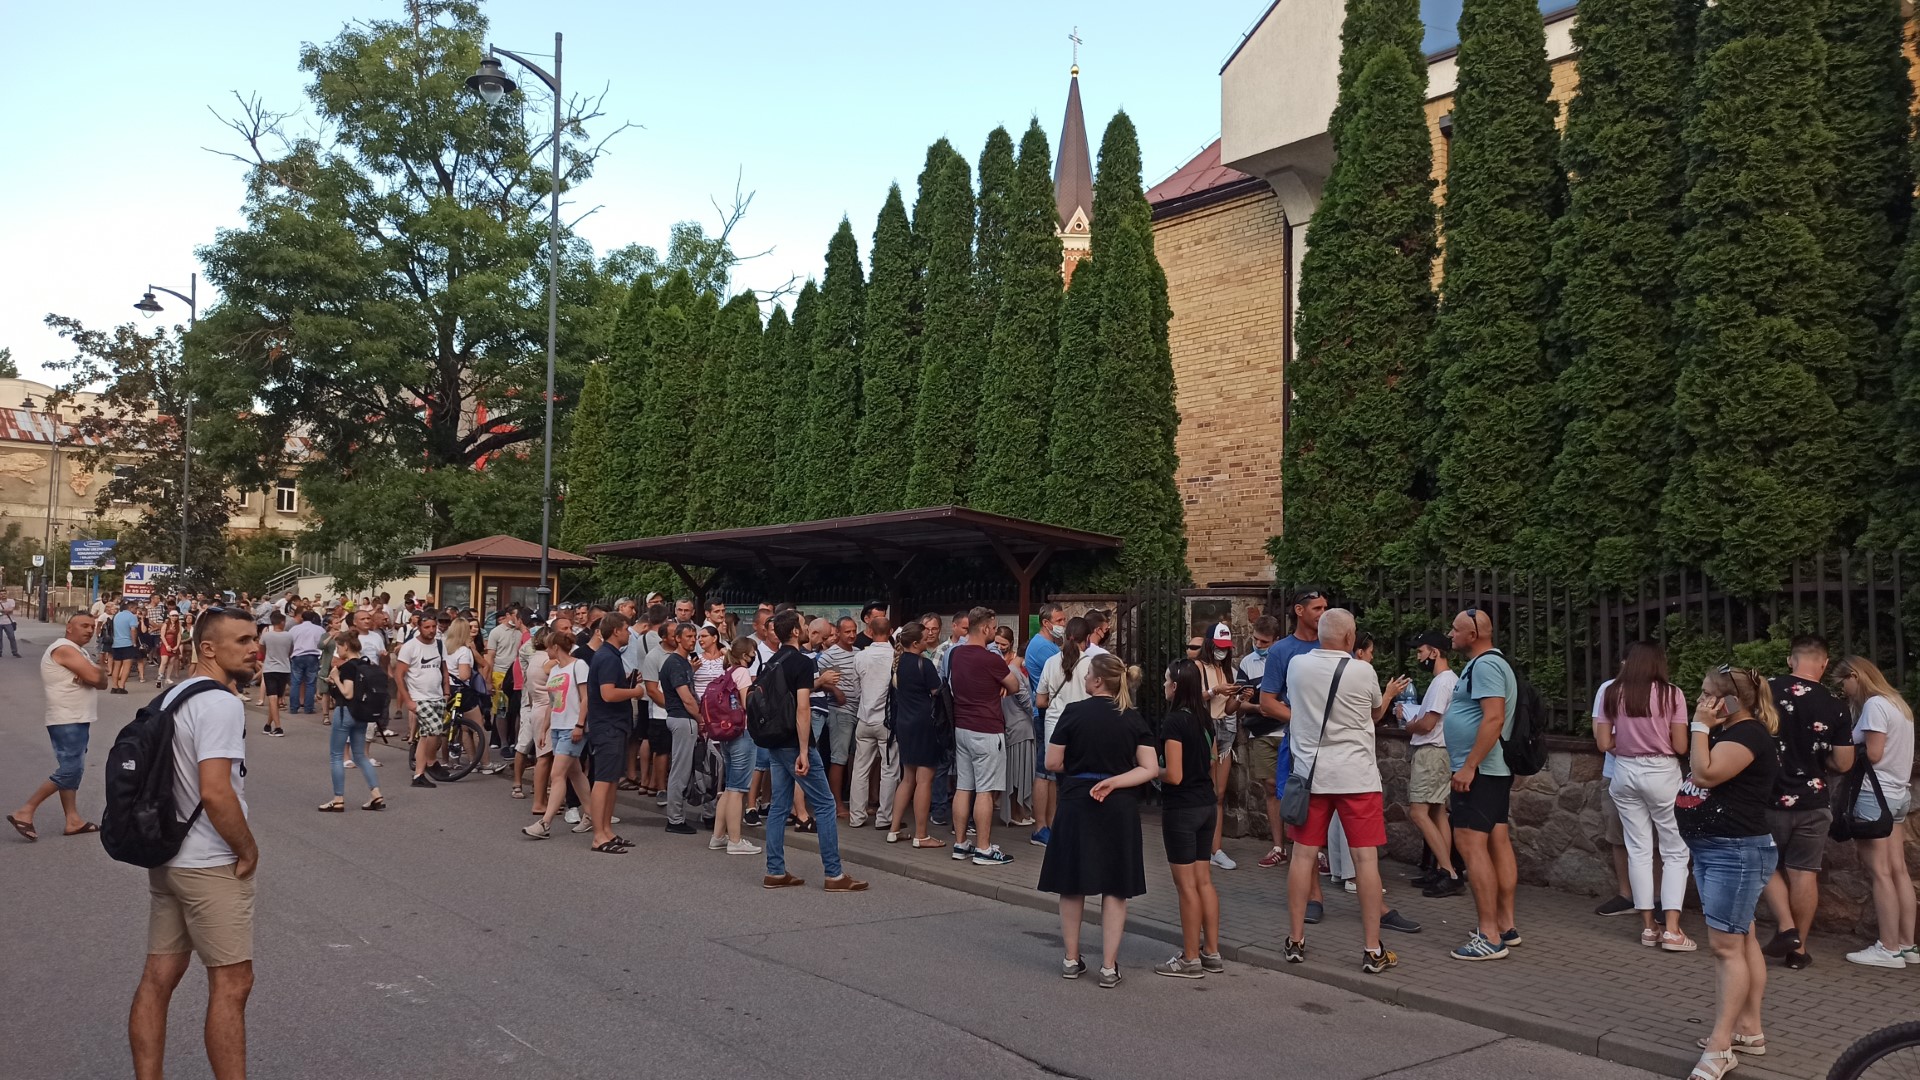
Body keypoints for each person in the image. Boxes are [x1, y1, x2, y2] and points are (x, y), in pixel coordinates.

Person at [128, 607, 261, 1080]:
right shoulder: (221, 703)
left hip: (168, 854)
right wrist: (247, 850)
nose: (254, 648)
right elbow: (216, 791)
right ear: (208, 649)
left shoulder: (174, 694)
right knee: (233, 982)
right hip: (208, 863)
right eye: (242, 640)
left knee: (158, 977)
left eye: (255, 638)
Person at [1279, 609, 1405, 974]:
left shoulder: (1297, 666)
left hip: (1311, 777)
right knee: (1365, 861)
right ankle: (1372, 949)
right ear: (1350, 639)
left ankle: (1296, 940)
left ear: (1320, 634)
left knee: (1302, 856)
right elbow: (1375, 713)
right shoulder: (1363, 671)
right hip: (1357, 778)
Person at [1678, 666, 1779, 1080]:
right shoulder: (1728, 731)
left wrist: (1700, 726)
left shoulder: (1748, 735)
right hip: (1716, 849)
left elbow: (1706, 774)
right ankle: (1749, 1029)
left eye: (1706, 694)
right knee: (1742, 937)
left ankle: (1720, 1047)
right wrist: (1706, 728)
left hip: (1734, 851)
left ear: (1730, 701)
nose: (1700, 701)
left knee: (1725, 948)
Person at [1038, 653, 1157, 988]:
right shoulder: (1132, 717)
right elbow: (1149, 768)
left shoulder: (1073, 711)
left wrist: (1081, 767)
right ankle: (1108, 966)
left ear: (1099, 680)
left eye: (1088, 672)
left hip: (1077, 799)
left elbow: (1052, 762)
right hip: (1119, 805)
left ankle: (1071, 959)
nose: (1085, 677)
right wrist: (1115, 780)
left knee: (1072, 883)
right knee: (1116, 886)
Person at [1760, 635, 1854, 970]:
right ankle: (1798, 951)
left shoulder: (1764, 691)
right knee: (1804, 874)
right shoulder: (1835, 704)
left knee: (1765, 865)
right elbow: (1844, 762)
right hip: (1813, 801)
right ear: (1824, 664)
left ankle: (1786, 929)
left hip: (1767, 798)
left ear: (1790, 659)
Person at [1593, 642, 1694, 952]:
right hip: (1662, 772)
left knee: (1638, 850)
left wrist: (1627, 745)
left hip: (1624, 771)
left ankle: (1649, 928)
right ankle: (1673, 931)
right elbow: (1681, 746)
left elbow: (1603, 743)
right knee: (1674, 851)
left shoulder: (1612, 692)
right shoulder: (1672, 694)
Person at [758, 611, 864, 892]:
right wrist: (804, 750)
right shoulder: (801, 663)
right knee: (826, 804)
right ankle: (834, 874)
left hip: (775, 740)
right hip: (795, 742)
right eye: (804, 625)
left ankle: (775, 870)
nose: (806, 628)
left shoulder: (772, 662)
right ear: (795, 631)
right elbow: (803, 708)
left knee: (779, 806)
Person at [1443, 608, 1522, 962]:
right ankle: (1505, 925)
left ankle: (1489, 936)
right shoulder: (1487, 664)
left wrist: (1469, 766)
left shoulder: (1486, 666)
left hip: (1481, 771)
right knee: (1497, 842)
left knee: (1471, 845)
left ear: (1473, 635)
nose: (1451, 634)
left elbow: (1494, 718)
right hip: (1491, 770)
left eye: (1456, 629)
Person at [1835, 656, 1918, 970]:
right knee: (1898, 871)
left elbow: (1874, 752)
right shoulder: (1898, 704)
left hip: (1874, 795)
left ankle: (1888, 948)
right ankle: (1907, 945)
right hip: (1898, 796)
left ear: (1855, 676)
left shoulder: (1874, 706)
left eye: (1843, 683)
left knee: (1880, 872)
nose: (1844, 690)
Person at [7, 612, 108, 841]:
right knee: (71, 770)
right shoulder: (64, 648)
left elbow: (101, 681)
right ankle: (25, 811)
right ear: (69, 627)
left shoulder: (79, 651)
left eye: (92, 626)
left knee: (72, 769)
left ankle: (73, 820)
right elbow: (97, 677)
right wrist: (94, 674)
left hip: (76, 718)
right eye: (84, 625)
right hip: (67, 719)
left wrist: (95, 674)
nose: (90, 630)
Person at [1155, 659, 1225, 978]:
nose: (1164, 685)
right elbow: (1211, 761)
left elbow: (1174, 774)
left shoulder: (1174, 722)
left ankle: (1190, 957)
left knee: (1185, 887)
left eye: (1166, 680)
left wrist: (1151, 770)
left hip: (1181, 808)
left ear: (1176, 686)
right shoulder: (1204, 719)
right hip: (1206, 804)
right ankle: (1212, 951)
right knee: (1204, 881)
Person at [1256, 589, 1329, 870]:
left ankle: (1322, 852)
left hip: (1333, 742)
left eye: (1325, 608)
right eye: (1317, 608)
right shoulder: (1281, 650)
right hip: (1298, 741)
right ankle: (1296, 851)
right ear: (1299, 611)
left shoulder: (1333, 644)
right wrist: (1302, 720)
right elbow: (1267, 702)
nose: (1323, 613)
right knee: (1296, 797)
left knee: (1327, 797)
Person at [948, 607, 1022, 866]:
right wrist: (1000, 685)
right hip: (987, 728)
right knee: (985, 790)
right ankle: (984, 848)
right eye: (993, 626)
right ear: (984, 628)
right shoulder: (991, 659)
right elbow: (1014, 685)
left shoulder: (955, 654)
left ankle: (960, 843)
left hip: (962, 727)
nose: (994, 631)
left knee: (963, 787)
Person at [1033, 615, 1108, 846]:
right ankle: (1072, 827)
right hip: (1083, 728)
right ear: (1087, 639)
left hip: (1054, 728)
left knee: (1045, 775)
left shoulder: (1051, 662)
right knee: (1078, 779)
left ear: (1065, 637)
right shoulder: (1092, 665)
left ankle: (1041, 828)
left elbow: (1040, 701)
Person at [1400, 631, 1462, 897]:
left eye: (1421, 651)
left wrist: (1408, 724)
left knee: (1418, 812)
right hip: (1441, 751)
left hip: (1432, 752)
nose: (1418, 657)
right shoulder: (1450, 680)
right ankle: (1442, 870)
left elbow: (1427, 724)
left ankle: (1449, 872)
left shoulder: (1441, 682)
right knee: (1437, 812)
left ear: (1434, 653)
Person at [524, 631, 597, 840]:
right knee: (575, 772)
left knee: (557, 774)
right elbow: (553, 702)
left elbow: (585, 698)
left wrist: (580, 724)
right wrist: (545, 728)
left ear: (555, 647)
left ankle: (545, 823)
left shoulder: (579, 666)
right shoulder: (556, 669)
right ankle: (591, 814)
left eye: (548, 647)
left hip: (571, 727)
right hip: (558, 726)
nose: (546, 650)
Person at [586, 613, 648, 852]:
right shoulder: (608, 657)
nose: (629, 633)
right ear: (616, 631)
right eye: (626, 628)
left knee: (612, 779)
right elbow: (608, 694)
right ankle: (598, 836)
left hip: (614, 725)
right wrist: (635, 692)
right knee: (603, 780)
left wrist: (627, 682)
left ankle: (606, 830)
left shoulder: (609, 655)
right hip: (608, 726)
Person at [886, 622, 945, 848]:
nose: (928, 636)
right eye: (924, 635)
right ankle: (921, 835)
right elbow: (936, 691)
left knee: (907, 778)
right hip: (924, 723)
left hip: (904, 723)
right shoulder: (924, 664)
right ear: (915, 643)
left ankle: (894, 829)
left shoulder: (898, 663)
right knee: (925, 780)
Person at [1194, 623, 1245, 870]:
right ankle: (1200, 845)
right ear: (1209, 644)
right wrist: (1215, 690)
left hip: (1224, 729)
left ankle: (1216, 849)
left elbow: (1229, 708)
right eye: (1218, 646)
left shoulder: (1227, 671)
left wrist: (1240, 698)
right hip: (1205, 729)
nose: (1222, 651)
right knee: (1204, 789)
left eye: (1226, 647)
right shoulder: (1197, 667)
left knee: (1219, 794)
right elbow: (1191, 697)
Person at [706, 636, 762, 855]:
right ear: (745, 655)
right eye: (753, 653)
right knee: (738, 790)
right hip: (743, 733)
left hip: (727, 735)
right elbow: (748, 704)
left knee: (729, 788)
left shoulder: (727, 672)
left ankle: (718, 836)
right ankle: (735, 840)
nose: (754, 657)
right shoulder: (742, 673)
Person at [319, 633, 384, 812]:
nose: (338, 651)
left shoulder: (348, 666)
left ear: (346, 646)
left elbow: (348, 693)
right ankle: (376, 793)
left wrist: (335, 679)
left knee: (336, 756)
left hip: (345, 712)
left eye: (338, 647)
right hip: (362, 713)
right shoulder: (366, 664)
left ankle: (338, 798)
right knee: (360, 755)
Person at [849, 615, 899, 832]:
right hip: (887, 721)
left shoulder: (860, 656)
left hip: (864, 717)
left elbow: (855, 688)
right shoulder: (896, 656)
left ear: (870, 631)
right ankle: (884, 817)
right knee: (889, 769)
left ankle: (856, 816)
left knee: (860, 769)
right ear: (890, 632)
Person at [660, 620, 703, 835]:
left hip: (682, 718)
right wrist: (701, 719)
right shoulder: (675, 664)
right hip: (683, 718)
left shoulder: (682, 662)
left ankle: (678, 816)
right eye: (688, 637)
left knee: (683, 768)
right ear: (677, 638)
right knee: (681, 770)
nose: (693, 640)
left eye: (694, 637)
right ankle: (675, 819)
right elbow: (686, 698)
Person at [396, 614, 449, 788]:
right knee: (435, 729)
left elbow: (444, 669)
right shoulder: (410, 647)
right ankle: (431, 761)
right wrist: (408, 700)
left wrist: (446, 691)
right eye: (427, 627)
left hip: (437, 695)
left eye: (433, 626)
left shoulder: (439, 644)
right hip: (419, 697)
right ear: (419, 627)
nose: (431, 630)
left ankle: (419, 775)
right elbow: (399, 675)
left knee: (426, 736)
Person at [996, 626, 1037, 829]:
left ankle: (1017, 811)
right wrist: (1037, 710)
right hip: (1020, 727)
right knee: (1019, 774)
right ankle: (1017, 813)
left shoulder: (1010, 669)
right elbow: (1025, 700)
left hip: (1013, 725)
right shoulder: (1014, 671)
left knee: (1016, 772)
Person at [822, 616, 863, 814]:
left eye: (854, 631)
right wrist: (834, 690)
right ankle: (836, 803)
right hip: (840, 711)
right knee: (839, 758)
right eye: (847, 631)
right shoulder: (830, 655)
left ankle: (856, 802)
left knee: (857, 758)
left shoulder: (859, 653)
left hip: (860, 711)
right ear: (838, 632)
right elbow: (818, 680)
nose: (852, 635)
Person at [258, 612, 293, 737]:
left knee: (272, 698)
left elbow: (261, 649)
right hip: (284, 668)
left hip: (270, 668)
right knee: (276, 698)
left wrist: (269, 655)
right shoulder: (289, 636)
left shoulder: (266, 635)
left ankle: (275, 727)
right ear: (282, 622)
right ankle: (271, 725)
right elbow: (290, 651)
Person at [287, 610, 325, 715]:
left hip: (297, 656)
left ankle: (294, 708)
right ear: (313, 618)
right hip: (313, 656)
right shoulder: (319, 629)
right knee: (310, 683)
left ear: (302, 618)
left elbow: (290, 642)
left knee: (295, 682)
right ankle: (308, 708)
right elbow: (322, 643)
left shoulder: (294, 629)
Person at [110, 597, 142, 694]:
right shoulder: (132, 617)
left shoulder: (117, 615)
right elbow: (133, 630)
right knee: (126, 665)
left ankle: (114, 686)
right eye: (135, 608)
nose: (136, 610)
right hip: (127, 643)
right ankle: (122, 686)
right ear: (130, 608)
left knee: (116, 666)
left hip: (116, 643)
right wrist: (134, 642)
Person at [156, 612, 184, 689]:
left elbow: (179, 636)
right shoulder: (166, 625)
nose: (174, 617)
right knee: (164, 661)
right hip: (166, 644)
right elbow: (162, 636)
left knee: (171, 662)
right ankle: (159, 678)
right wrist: (166, 645)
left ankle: (168, 678)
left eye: (176, 616)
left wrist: (177, 646)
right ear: (170, 616)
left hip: (174, 644)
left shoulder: (178, 625)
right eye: (173, 616)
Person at [0, 592, 18, 658]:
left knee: (12, 637)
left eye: (4, 593)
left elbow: (11, 610)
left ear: (6, 594)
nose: (3, 595)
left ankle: (15, 652)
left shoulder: (11, 601)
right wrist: (6, 611)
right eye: (1, 594)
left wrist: (1, 611)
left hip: (8, 622)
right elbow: (8, 611)